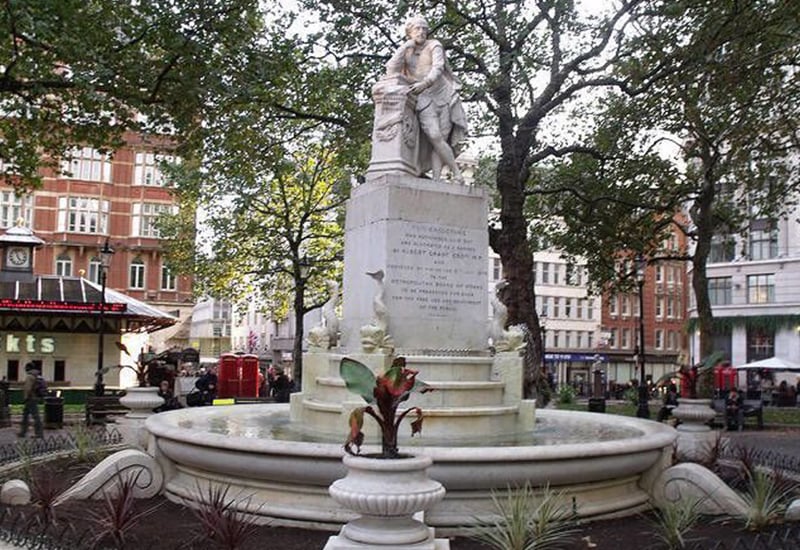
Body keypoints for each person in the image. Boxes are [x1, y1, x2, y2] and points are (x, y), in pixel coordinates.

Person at [385, 16, 468, 183]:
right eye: (417, 28)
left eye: (424, 28)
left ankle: (437, 180)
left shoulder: (434, 45)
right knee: (434, 136)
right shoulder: (407, 50)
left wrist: (425, 83)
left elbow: (438, 67)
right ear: (409, 32)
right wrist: (405, 46)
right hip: (423, 98)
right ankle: (456, 172)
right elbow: (391, 69)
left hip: (444, 96)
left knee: (439, 140)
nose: (422, 31)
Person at [18, 362, 44, 438]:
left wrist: (25, 398)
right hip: (35, 397)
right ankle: (23, 432)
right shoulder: (37, 375)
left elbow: (28, 388)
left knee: (35, 416)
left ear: (28, 368)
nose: (25, 369)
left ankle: (39, 433)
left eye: (26, 367)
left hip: (30, 398)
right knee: (25, 415)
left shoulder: (30, 376)